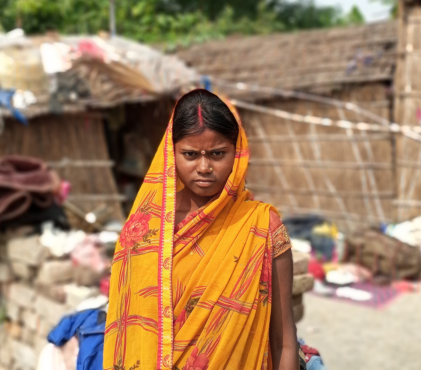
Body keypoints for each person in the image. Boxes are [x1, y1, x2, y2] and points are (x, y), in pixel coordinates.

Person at [105, 89, 299, 370]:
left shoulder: (261, 227)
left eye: (218, 153)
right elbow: (127, 330)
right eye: (190, 154)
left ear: (238, 152)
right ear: (171, 155)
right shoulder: (144, 231)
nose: (204, 167)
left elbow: (283, 340)